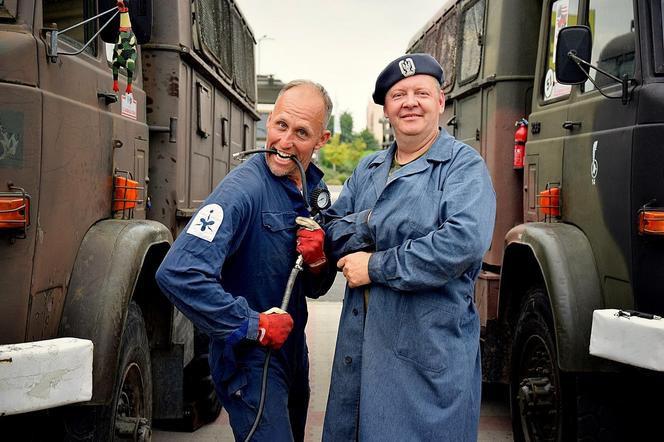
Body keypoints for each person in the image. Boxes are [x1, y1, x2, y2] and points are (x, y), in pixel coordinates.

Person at [322, 54, 496, 441]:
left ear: (441, 102)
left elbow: (461, 244)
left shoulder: (462, 167)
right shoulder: (367, 169)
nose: (410, 101)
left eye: (421, 92)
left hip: (427, 353)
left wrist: (375, 265)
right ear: (386, 109)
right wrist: (377, 224)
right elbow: (332, 231)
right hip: (362, 346)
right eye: (399, 94)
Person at [156, 79, 335, 442]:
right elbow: (177, 273)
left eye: (301, 132)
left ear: (322, 140)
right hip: (252, 360)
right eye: (281, 125)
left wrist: (318, 261)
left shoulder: (314, 189)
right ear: (269, 122)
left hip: (292, 354)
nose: (285, 142)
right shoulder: (243, 190)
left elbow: (316, 288)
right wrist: (253, 324)